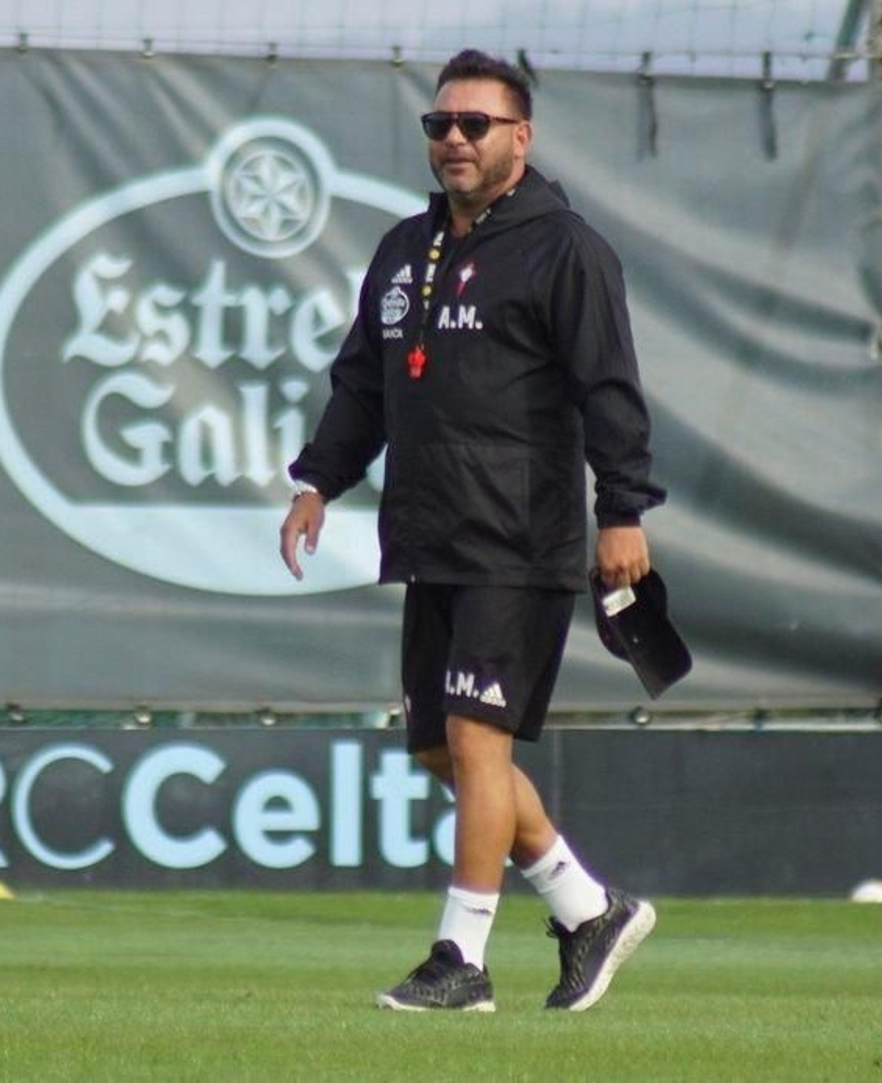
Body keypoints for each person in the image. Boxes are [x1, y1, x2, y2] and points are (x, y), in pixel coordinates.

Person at [279, 49, 666, 1012]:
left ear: (519, 137)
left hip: (518, 534)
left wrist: (621, 511)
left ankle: (462, 959)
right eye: (439, 124)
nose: (453, 138)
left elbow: (611, 389)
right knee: (440, 752)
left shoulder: (565, 248)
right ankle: (587, 910)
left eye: (475, 124)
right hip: (430, 534)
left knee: (476, 739)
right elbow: (363, 381)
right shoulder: (406, 248)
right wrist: (318, 480)